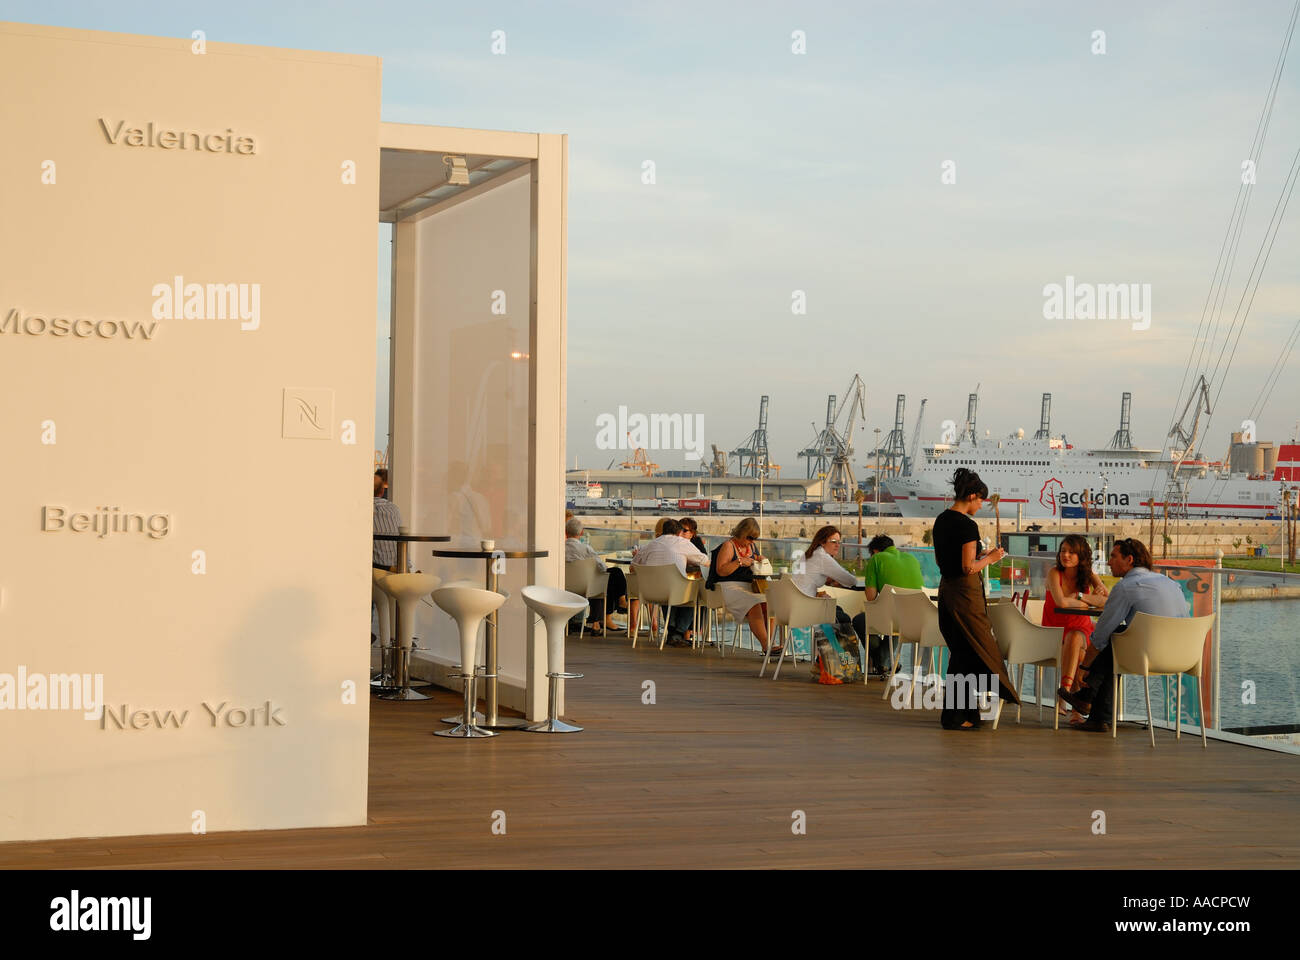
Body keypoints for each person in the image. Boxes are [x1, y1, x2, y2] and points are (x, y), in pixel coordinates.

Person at [1057, 538, 1187, 733]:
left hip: (1148, 658)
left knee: (1113, 636)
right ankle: (1096, 714)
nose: (1109, 562)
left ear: (1129, 560)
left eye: (1113, 557)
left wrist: (1085, 667)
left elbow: (1101, 633)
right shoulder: (1170, 583)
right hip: (1183, 657)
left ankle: (1088, 697)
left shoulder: (1127, 586)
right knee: (1117, 638)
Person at [931, 468, 1020, 730]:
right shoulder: (967, 526)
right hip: (965, 596)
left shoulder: (941, 520)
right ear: (971, 496)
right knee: (972, 649)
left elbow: (941, 560)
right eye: (980, 499)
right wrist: (991, 558)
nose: (981, 504)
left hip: (946, 591)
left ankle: (965, 714)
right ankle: (957, 716)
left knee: (961, 651)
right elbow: (969, 567)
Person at [1042, 535, 1109, 725]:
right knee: (1079, 651)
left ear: (1081, 555)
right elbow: (1061, 602)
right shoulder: (1055, 573)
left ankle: (1064, 694)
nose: (1066, 555)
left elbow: (1107, 601)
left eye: (1071, 552)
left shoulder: (1089, 575)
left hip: (1080, 630)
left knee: (1076, 638)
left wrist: (1079, 596)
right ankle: (1075, 711)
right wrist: (1088, 602)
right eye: (1063, 550)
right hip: (1054, 632)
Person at [632, 518, 710, 646]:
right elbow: (705, 561)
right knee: (695, 593)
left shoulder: (650, 545)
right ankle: (678, 632)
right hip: (674, 592)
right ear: (679, 533)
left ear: (663, 531)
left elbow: (633, 566)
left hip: (650, 593)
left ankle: (673, 631)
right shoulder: (682, 543)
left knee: (668, 588)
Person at [707, 517, 775, 657]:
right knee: (754, 603)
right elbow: (721, 570)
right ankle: (766, 646)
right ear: (743, 533)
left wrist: (760, 559)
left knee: (770, 604)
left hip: (749, 586)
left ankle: (772, 644)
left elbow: (756, 559)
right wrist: (739, 562)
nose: (752, 541)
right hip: (729, 586)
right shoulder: (728, 545)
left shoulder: (751, 547)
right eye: (750, 537)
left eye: (755, 538)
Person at [860, 534, 925, 675]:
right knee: (896, 619)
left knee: (859, 620)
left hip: (892, 619)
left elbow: (871, 598)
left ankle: (884, 661)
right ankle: (885, 662)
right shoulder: (912, 558)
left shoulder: (876, 559)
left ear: (875, 551)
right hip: (915, 620)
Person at [564, 516, 627, 633]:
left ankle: (598, 621)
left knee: (599, 579)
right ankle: (600, 619)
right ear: (581, 532)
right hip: (586, 588)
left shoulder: (559, 549)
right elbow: (602, 568)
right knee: (614, 573)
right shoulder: (586, 549)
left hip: (564, 587)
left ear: (566, 532)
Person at [372, 469, 409, 573]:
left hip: (378, 572)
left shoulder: (364, 511)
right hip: (402, 569)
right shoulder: (394, 508)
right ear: (382, 491)